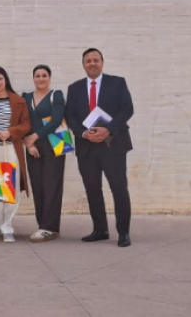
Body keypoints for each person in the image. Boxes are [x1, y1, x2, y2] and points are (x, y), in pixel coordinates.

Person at [66, 48, 135, 247]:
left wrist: (108, 130)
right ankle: (100, 229)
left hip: (113, 145)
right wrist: (83, 133)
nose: (92, 63)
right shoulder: (75, 88)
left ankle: (123, 232)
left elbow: (127, 109)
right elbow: (70, 115)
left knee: (119, 188)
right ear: (83, 65)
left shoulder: (117, 83)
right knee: (92, 189)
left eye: (95, 60)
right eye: (88, 61)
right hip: (86, 147)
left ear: (102, 62)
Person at [0, 66, 31, 243]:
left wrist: (11, 131)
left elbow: (26, 124)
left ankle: (7, 226)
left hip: (11, 147)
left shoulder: (18, 101)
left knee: (11, 188)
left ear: (6, 80)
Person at [21, 65, 66, 242]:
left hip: (54, 144)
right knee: (38, 185)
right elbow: (23, 121)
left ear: (49, 78)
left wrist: (34, 136)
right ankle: (43, 225)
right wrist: (28, 143)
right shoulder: (26, 97)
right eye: (37, 76)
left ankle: (49, 227)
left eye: (44, 75)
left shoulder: (56, 95)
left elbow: (56, 120)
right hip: (33, 147)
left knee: (51, 185)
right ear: (33, 78)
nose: (40, 78)